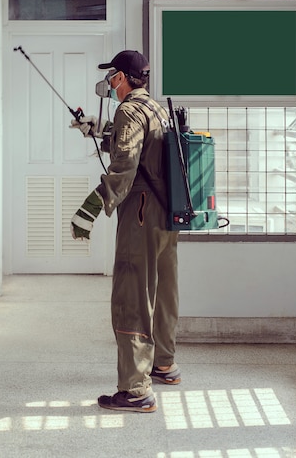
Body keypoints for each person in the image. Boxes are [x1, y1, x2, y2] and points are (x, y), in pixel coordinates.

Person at [70, 50, 181, 413]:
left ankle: (135, 389)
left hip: (141, 212)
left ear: (120, 78)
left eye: (112, 76)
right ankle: (164, 364)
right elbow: (140, 147)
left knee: (133, 294)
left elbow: (126, 163)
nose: (109, 83)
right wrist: (99, 131)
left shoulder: (129, 110)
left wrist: (90, 208)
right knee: (163, 290)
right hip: (167, 214)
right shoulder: (155, 108)